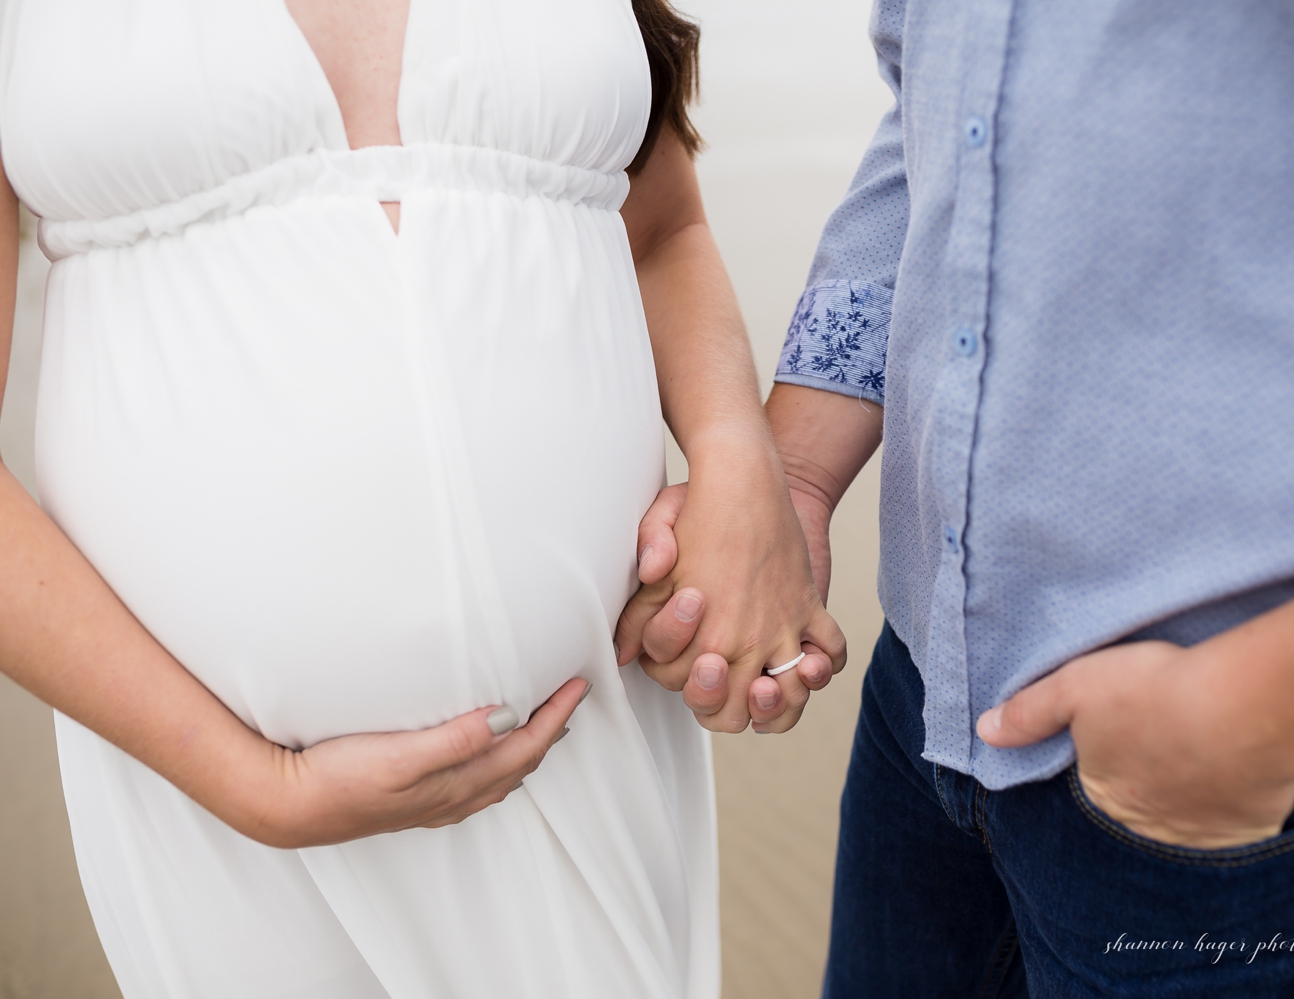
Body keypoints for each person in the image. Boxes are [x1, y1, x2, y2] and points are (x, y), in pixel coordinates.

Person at [620, 1, 1294, 995]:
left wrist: (1250, 714)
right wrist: (790, 480)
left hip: (1253, 772)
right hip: (923, 695)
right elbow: (946, 125)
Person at [0, 1, 841, 996]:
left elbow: (660, 228)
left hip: (586, 741)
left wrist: (743, 469)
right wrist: (257, 789)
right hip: (219, 804)